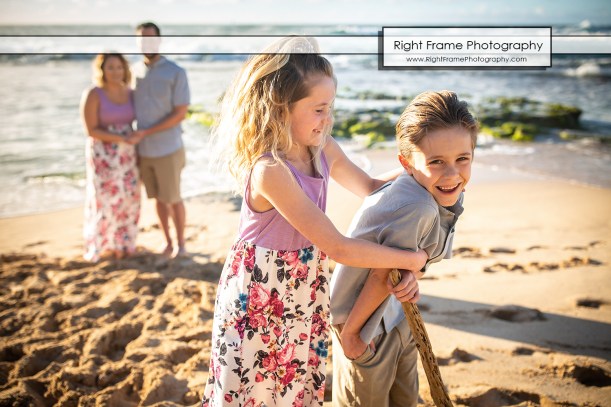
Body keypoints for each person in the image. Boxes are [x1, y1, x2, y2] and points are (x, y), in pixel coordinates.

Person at [200, 37, 428, 407]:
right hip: (259, 296)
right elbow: (337, 247)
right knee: (254, 391)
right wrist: (411, 259)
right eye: (319, 109)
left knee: (292, 389)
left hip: (302, 292)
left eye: (330, 107)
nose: (328, 118)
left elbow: (370, 187)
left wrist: (422, 169)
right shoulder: (271, 170)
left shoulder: (322, 148)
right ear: (280, 109)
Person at [329, 90, 479, 407]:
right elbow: (381, 274)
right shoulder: (417, 207)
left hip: (396, 314)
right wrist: (352, 334)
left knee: (404, 398)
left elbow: (408, 264)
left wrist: (413, 272)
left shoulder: (441, 188)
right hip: (365, 321)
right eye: (436, 161)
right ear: (407, 164)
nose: (452, 174)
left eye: (462, 159)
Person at [131, 21, 190, 258]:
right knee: (157, 199)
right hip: (143, 150)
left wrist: (146, 132)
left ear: (159, 40)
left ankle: (181, 245)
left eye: (151, 38)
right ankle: (167, 242)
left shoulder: (176, 72)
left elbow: (180, 113)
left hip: (168, 148)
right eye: (142, 39)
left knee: (173, 199)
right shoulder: (133, 72)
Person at [81, 53, 141, 262]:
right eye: (110, 67)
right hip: (103, 154)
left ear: (125, 69)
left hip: (127, 154)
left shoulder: (131, 93)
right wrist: (120, 138)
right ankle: (102, 244)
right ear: (102, 70)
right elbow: (90, 130)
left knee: (128, 198)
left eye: (119, 67)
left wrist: (132, 139)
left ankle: (124, 243)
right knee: (104, 199)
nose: (115, 72)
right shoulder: (94, 94)